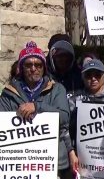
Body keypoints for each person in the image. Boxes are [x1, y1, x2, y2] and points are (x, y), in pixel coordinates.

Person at [0, 41, 72, 178]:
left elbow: (64, 118)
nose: (33, 68)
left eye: (38, 65)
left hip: (53, 163)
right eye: (28, 65)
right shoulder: (9, 93)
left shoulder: (57, 89)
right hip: (20, 162)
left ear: (44, 68)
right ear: (21, 68)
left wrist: (38, 107)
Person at [67, 59, 104, 173]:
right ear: (83, 78)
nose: (93, 78)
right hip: (84, 161)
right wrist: (71, 152)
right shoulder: (74, 100)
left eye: (97, 75)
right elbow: (66, 130)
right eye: (88, 75)